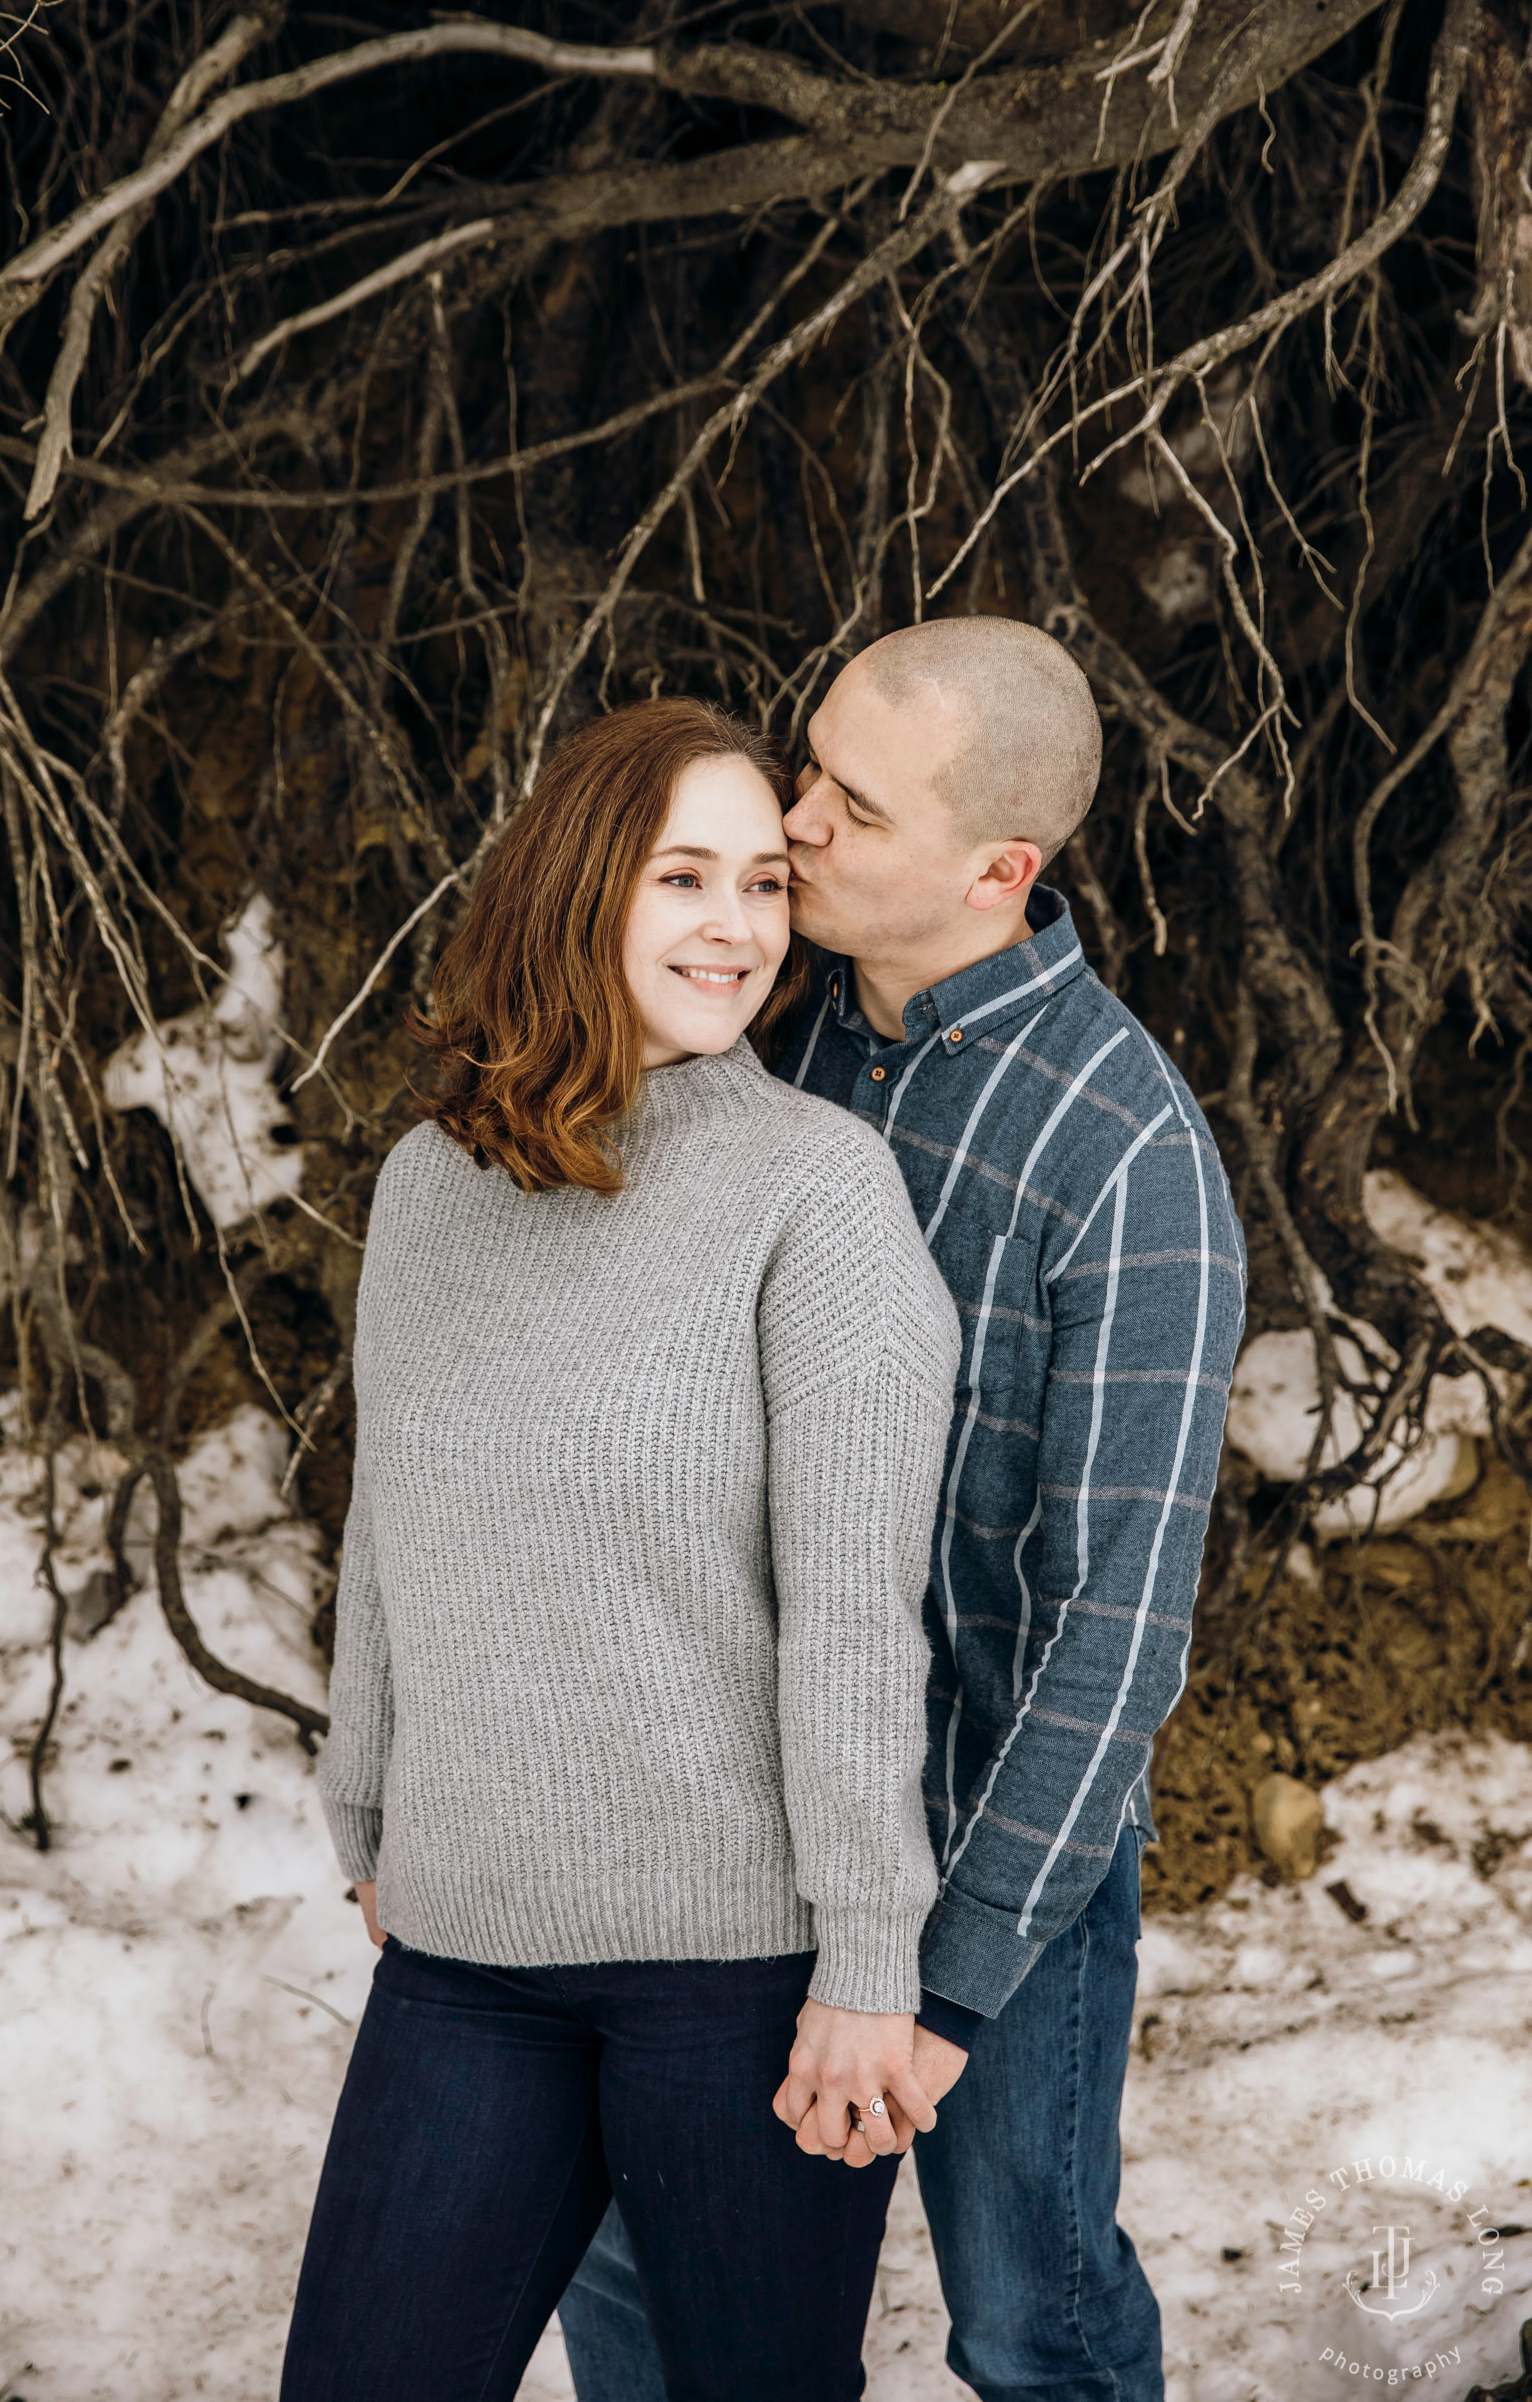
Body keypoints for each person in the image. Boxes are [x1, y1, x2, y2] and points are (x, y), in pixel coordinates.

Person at [559, 620, 1246, 2402]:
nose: (791, 827)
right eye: (807, 771)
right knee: (645, 2283)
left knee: (1034, 2320)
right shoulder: (754, 1038)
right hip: (727, 1823)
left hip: (980, 1868)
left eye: (851, 808)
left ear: (997, 871)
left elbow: (1113, 1634)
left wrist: (941, 1994)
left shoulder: (1127, 1163)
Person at [280, 697, 964, 2402]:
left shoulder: (820, 1194)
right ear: (580, 889)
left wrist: (872, 1963)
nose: (736, 926)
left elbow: (855, 1616)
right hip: (463, 1961)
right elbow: (390, 1528)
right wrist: (368, 1802)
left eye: (760, 882)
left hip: (731, 1983)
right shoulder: (433, 1187)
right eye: (683, 878)